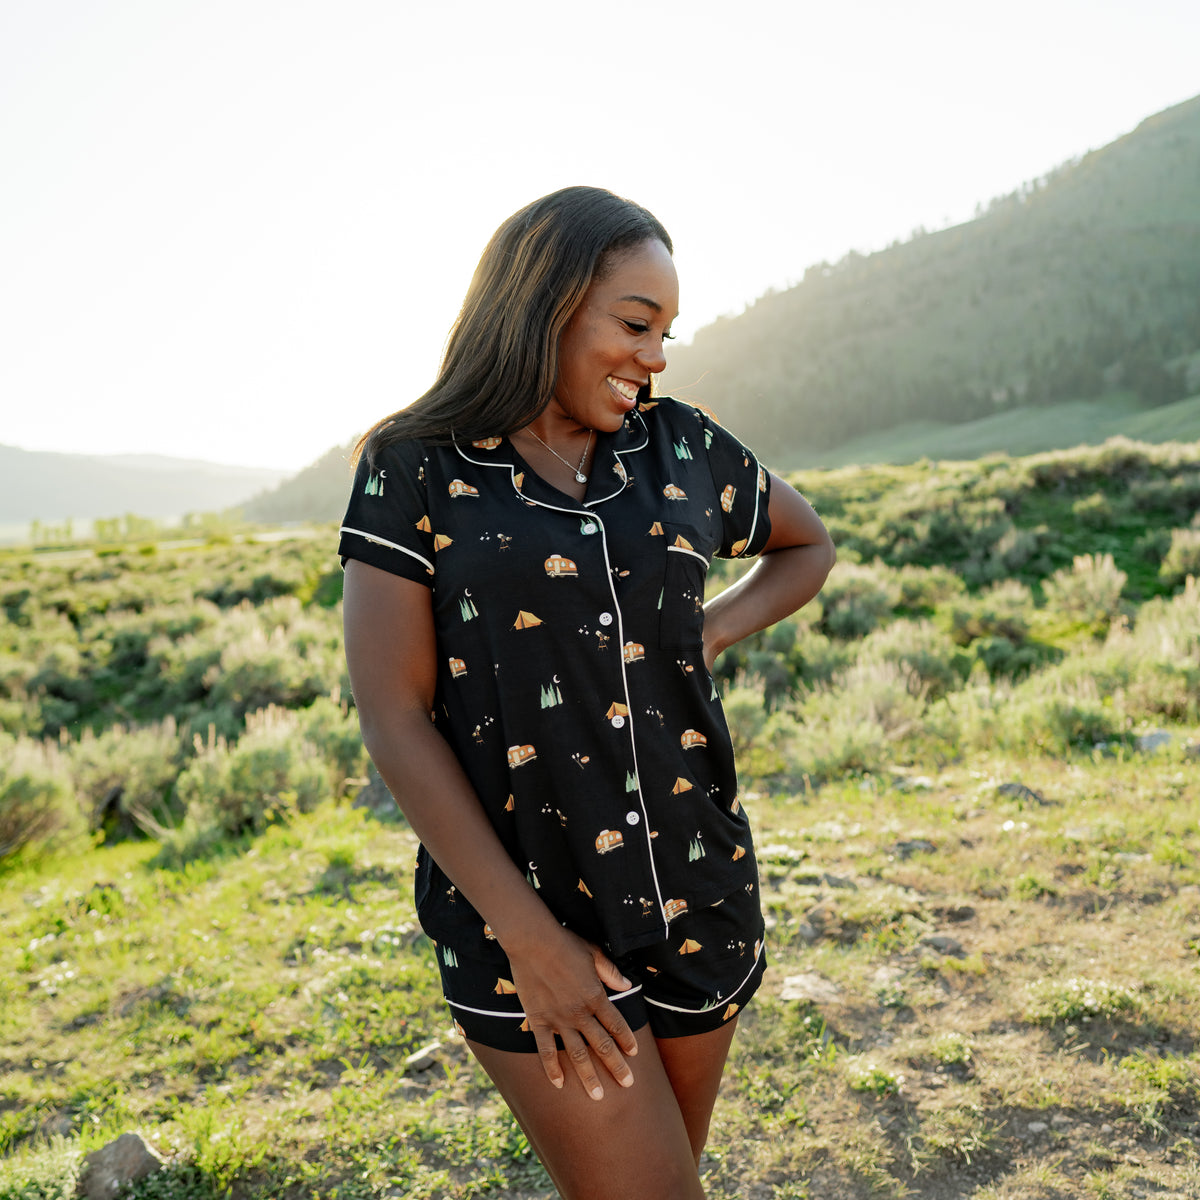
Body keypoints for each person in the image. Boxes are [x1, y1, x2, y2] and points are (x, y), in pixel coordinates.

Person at [339, 186, 835, 1200]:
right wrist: (534, 943)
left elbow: (806, 542)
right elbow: (393, 717)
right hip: (528, 923)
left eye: (668, 334)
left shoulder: (682, 446)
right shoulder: (414, 469)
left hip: (701, 891)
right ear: (546, 303)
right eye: (636, 323)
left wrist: (706, 627)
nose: (657, 357)